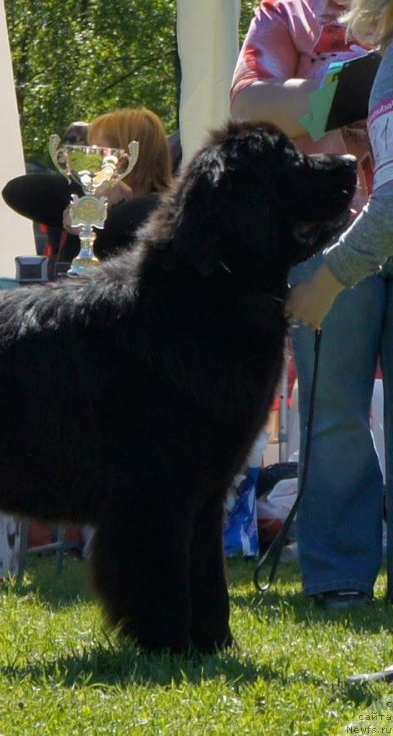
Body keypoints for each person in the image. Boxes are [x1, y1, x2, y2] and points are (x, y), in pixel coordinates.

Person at [231, 0, 382, 610]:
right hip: (327, 234)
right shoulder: (286, 12)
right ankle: (339, 576)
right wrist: (344, 85)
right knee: (332, 411)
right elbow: (246, 107)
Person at [1, 108, 173, 268]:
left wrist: (95, 214)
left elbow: (125, 224)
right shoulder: (88, 195)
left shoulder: (164, 211)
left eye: (96, 151)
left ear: (122, 160)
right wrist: (90, 197)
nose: (87, 157)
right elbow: (17, 191)